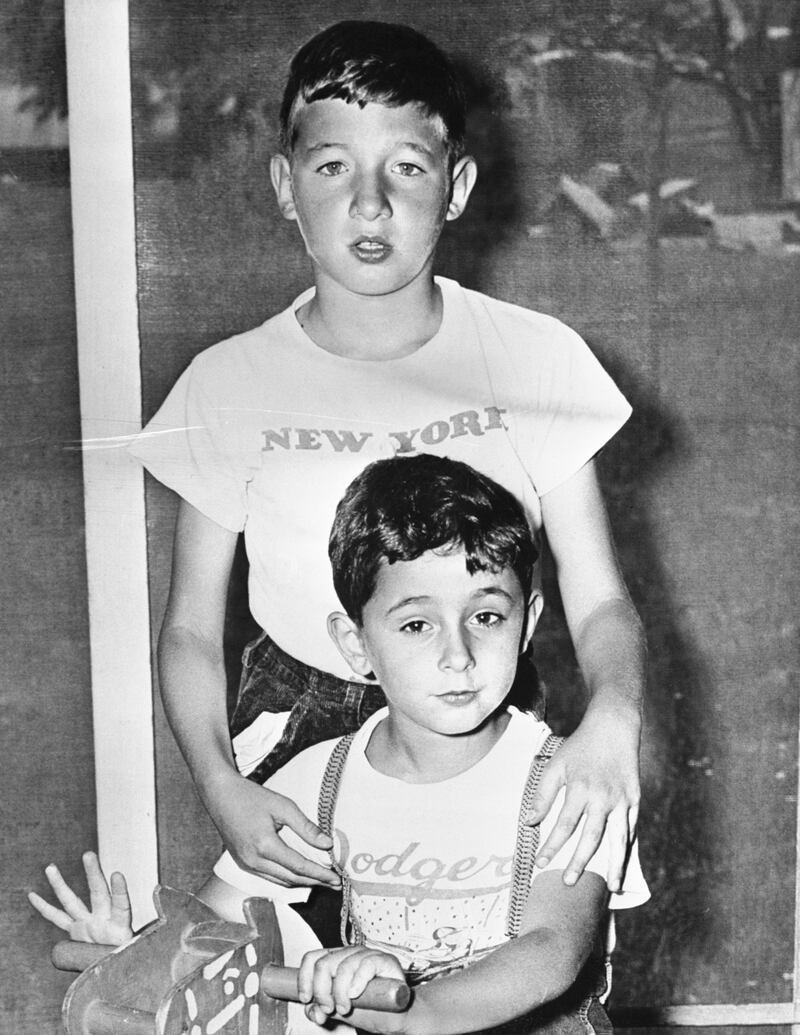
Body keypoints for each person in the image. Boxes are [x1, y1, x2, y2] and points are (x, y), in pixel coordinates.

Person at [128, 20, 645, 897]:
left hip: (482, 705)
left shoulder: (534, 358)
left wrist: (613, 720)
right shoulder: (229, 382)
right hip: (303, 737)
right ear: (285, 187)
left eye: (406, 166)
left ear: (457, 187)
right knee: (303, 994)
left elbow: (600, 599)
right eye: (332, 167)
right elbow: (186, 631)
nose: (370, 205)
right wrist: (222, 786)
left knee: (498, 975)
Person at [30, 456, 649, 1034]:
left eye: (486, 616)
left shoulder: (570, 779)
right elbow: (215, 933)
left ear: (528, 623)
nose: (457, 656)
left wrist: (415, 1010)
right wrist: (139, 953)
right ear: (356, 647)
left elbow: (552, 955)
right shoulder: (316, 778)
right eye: (416, 624)